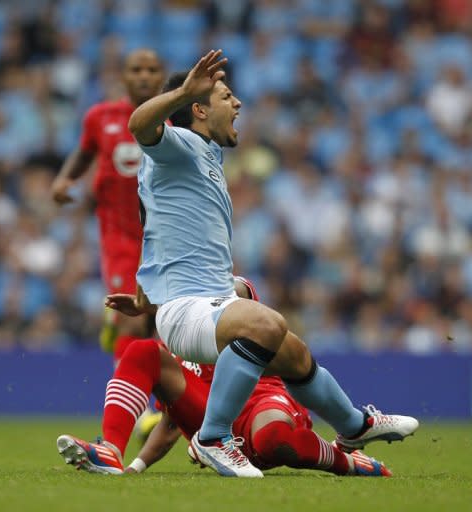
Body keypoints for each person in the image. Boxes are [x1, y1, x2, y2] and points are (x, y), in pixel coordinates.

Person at [126, 49, 418, 477]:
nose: (238, 103)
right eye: (226, 96)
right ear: (200, 109)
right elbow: (139, 126)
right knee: (265, 324)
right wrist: (184, 91)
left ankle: (355, 426)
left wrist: (143, 290)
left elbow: (149, 215)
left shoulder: (204, 154)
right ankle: (213, 437)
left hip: (206, 300)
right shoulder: (180, 144)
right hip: (189, 309)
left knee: (296, 356)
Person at [57, 277, 391, 478]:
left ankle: (349, 461)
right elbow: (172, 421)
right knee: (142, 352)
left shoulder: (231, 290)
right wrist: (135, 467)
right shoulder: (177, 335)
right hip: (210, 421)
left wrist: (164, 298)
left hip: (261, 401)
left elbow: (240, 292)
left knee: (275, 439)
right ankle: (110, 450)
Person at [50, 48, 165, 361]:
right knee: (135, 318)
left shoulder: (173, 122)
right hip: (120, 237)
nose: (144, 76)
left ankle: (114, 324)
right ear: (123, 76)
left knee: (161, 324)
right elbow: (84, 152)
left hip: (163, 238)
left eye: (151, 70)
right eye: (136, 70)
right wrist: (64, 179)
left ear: (161, 77)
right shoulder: (101, 117)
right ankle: (132, 406)